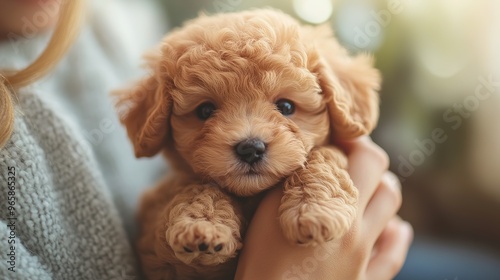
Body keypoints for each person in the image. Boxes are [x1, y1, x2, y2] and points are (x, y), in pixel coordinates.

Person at [0, 0, 412, 279]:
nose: (249, 139)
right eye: (205, 111)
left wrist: (321, 182)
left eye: (286, 106)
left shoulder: (110, 20)